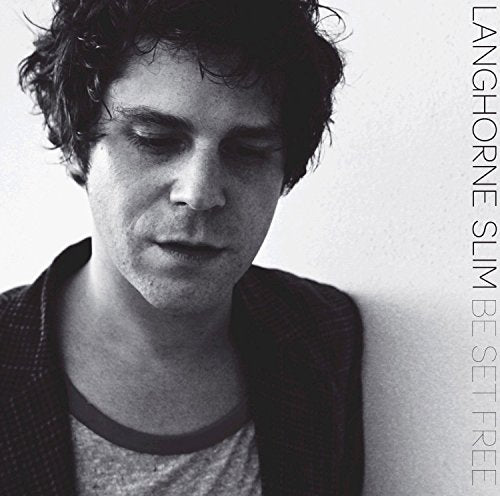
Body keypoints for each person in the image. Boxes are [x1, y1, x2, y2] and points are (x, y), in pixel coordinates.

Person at [0, 0, 364, 494]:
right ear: (75, 147)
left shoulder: (324, 333)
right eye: (154, 139)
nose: (199, 192)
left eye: (248, 151)